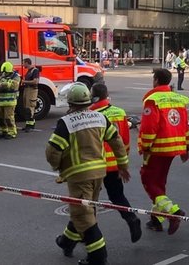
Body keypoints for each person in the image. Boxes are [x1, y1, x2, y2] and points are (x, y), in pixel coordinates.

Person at [48, 83, 130, 265]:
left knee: (82, 215)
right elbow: (116, 141)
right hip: (99, 173)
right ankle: (66, 242)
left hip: (78, 176)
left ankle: (98, 257)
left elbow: (53, 151)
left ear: (70, 102)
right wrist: (122, 164)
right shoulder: (100, 118)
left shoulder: (66, 123)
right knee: (84, 209)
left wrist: (59, 168)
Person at [138, 68, 189, 235]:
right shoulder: (179, 99)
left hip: (157, 148)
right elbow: (184, 125)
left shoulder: (152, 100)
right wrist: (185, 147)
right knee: (159, 182)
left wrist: (145, 147)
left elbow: (149, 127)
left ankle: (173, 213)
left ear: (156, 80)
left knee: (149, 181)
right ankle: (156, 219)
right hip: (174, 147)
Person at [89, 84, 142, 243]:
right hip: (114, 164)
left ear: (94, 97)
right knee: (117, 195)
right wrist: (122, 164)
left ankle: (83, 236)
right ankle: (131, 218)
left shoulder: (90, 114)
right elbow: (125, 141)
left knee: (87, 201)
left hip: (95, 165)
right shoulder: (120, 112)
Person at [0, 61, 21, 139]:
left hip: (10, 101)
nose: (4, 74)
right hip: (1, 101)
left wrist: (3, 85)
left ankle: (12, 132)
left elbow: (14, 85)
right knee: (0, 118)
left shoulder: (16, 76)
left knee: (8, 118)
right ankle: (3, 131)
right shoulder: (3, 76)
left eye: (5, 72)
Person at [20, 58, 40, 132]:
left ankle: (30, 125)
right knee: (26, 107)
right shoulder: (29, 71)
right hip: (27, 90)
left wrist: (24, 81)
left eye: (23, 63)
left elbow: (35, 81)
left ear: (27, 63)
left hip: (32, 90)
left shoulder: (35, 70)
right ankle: (29, 124)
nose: (23, 64)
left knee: (30, 107)